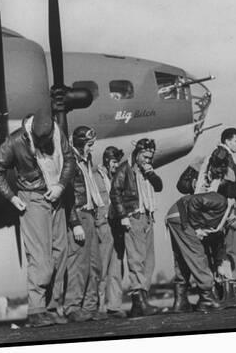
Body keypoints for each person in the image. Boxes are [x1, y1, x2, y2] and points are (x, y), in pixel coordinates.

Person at [0, 111, 75, 327]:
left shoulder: (56, 132)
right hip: (33, 200)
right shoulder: (16, 140)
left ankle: (51, 308)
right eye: (39, 141)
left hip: (56, 197)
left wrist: (60, 185)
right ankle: (36, 310)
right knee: (41, 258)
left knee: (60, 252)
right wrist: (12, 197)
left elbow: (69, 159)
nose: (44, 144)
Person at [177, 127, 236, 308]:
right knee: (228, 251)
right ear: (227, 142)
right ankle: (224, 294)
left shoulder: (209, 162)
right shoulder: (221, 160)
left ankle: (219, 294)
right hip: (217, 212)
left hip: (214, 212)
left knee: (218, 252)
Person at [166, 191, 236, 312]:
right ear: (235, 218)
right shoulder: (221, 202)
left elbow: (218, 240)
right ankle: (206, 299)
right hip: (181, 216)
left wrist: (220, 263)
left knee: (182, 258)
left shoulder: (223, 218)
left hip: (176, 216)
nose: (234, 229)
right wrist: (197, 228)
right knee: (198, 254)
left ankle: (180, 301)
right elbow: (195, 201)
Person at [110, 138, 163, 317]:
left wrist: (151, 173)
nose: (148, 160)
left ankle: (139, 304)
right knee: (136, 260)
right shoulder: (125, 168)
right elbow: (115, 192)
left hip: (148, 216)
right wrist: (123, 216)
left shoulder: (148, 170)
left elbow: (159, 186)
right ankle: (138, 299)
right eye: (145, 157)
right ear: (138, 153)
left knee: (149, 261)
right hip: (134, 216)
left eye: (150, 157)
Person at [63, 126, 106, 322]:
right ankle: (72, 306)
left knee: (94, 264)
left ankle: (89, 306)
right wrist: (74, 223)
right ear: (80, 144)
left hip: (89, 213)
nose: (91, 149)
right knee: (78, 264)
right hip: (79, 215)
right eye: (89, 145)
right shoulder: (70, 161)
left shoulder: (85, 160)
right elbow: (67, 194)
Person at [92, 146, 127, 319]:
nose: (116, 165)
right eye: (114, 162)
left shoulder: (118, 177)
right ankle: (100, 306)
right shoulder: (95, 176)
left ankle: (115, 305)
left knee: (117, 266)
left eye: (117, 162)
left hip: (117, 225)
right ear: (107, 160)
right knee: (102, 267)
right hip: (104, 225)